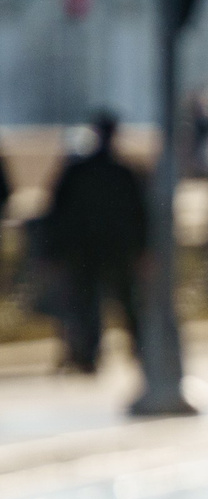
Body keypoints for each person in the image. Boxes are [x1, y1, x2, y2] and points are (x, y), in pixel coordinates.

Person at [46, 110, 149, 374]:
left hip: (87, 250)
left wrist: (55, 251)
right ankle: (136, 350)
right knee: (122, 302)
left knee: (90, 303)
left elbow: (57, 213)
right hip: (113, 250)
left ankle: (89, 354)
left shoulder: (79, 171)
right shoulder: (123, 173)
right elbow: (140, 215)